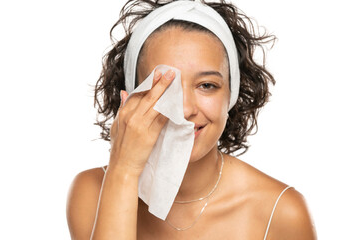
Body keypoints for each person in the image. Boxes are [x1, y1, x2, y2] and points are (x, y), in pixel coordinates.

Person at [66, 0, 317, 239]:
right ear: (132, 97)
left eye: (207, 85)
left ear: (232, 94)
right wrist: (124, 170)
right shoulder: (91, 192)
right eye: (164, 86)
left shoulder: (282, 211)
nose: (185, 109)